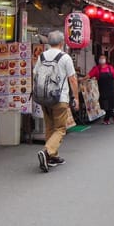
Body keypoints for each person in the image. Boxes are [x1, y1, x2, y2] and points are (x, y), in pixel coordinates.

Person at [36, 30, 80, 173]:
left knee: (49, 127)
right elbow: (72, 79)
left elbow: (35, 74)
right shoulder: (65, 57)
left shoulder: (41, 56)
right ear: (62, 43)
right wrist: (76, 98)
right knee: (60, 129)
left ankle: (52, 156)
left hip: (43, 97)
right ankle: (47, 152)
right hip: (60, 98)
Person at [87, 53, 114, 124]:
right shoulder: (96, 68)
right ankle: (112, 114)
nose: (102, 60)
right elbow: (89, 75)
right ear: (98, 60)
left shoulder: (110, 68)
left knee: (110, 104)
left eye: (103, 58)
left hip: (111, 89)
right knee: (103, 105)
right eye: (100, 58)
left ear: (106, 59)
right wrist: (81, 79)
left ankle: (106, 120)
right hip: (102, 89)